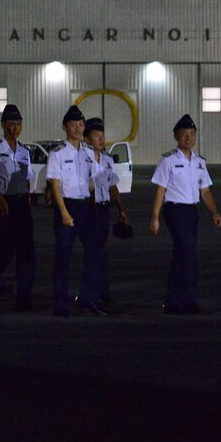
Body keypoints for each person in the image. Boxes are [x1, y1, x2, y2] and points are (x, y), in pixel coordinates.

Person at [149, 114, 221, 315]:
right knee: (189, 255)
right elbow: (160, 190)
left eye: (192, 134)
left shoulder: (199, 162)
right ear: (176, 136)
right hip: (174, 210)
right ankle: (189, 301)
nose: (188, 138)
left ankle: (172, 302)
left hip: (191, 212)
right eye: (184, 135)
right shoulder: (168, 160)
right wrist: (155, 217)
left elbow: (205, 191)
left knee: (181, 256)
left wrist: (214, 212)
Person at [47, 106, 102, 316]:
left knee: (95, 253)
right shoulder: (58, 153)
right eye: (73, 125)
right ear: (65, 127)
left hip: (85, 207)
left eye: (81, 125)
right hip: (66, 206)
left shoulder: (89, 152)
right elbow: (55, 184)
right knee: (63, 257)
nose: (78, 129)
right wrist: (63, 212)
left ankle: (87, 297)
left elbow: (93, 181)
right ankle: (60, 302)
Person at [0, 105, 36, 311]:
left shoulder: (24, 151)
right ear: (3, 125)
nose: (15, 128)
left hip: (22, 204)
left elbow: (28, 177)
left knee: (27, 252)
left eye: (18, 124)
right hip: (3, 203)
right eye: (11, 124)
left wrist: (28, 196)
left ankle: (23, 298)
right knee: (5, 251)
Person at [85, 117, 128, 307]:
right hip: (88, 209)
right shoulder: (82, 159)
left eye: (103, 136)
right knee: (95, 253)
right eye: (96, 136)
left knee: (100, 252)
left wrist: (121, 209)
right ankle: (93, 294)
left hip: (103, 209)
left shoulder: (108, 160)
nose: (101, 140)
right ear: (87, 139)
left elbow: (113, 187)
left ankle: (100, 292)